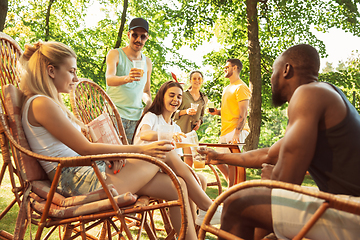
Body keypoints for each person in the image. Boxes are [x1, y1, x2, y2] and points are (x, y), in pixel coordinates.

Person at [19, 40, 211, 239]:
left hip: (88, 170)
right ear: (51, 71)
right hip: (76, 180)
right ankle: (209, 208)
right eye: (72, 71)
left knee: (177, 186)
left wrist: (114, 155)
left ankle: (202, 218)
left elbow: (82, 149)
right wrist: (138, 151)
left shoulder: (46, 102)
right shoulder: (41, 103)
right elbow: (85, 148)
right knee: (165, 150)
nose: (76, 78)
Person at [200, 44, 360, 240]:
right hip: (344, 205)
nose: (271, 79)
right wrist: (218, 156)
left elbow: (285, 183)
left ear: (286, 69)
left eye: (273, 72)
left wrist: (271, 178)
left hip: (352, 210)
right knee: (259, 219)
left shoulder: (308, 94)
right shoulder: (324, 95)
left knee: (237, 202)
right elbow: (269, 154)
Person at [133, 81, 222, 231]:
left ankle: (194, 226)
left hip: (160, 171)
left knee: (200, 178)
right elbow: (145, 134)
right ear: (162, 97)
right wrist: (168, 136)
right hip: (142, 172)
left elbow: (175, 160)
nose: (176, 99)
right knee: (179, 185)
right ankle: (204, 211)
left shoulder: (176, 127)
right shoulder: (152, 116)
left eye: (179, 97)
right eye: (171, 95)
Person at [105, 17, 152, 144]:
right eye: (135, 35)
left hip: (136, 118)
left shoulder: (147, 61)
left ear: (147, 38)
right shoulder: (115, 54)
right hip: (114, 115)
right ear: (128, 34)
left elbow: (146, 91)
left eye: (142, 36)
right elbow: (109, 79)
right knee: (111, 158)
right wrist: (127, 78)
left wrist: (148, 104)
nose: (138, 40)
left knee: (131, 158)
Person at [209, 58, 251, 187]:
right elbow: (231, 110)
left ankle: (230, 193)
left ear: (235, 68)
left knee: (232, 163)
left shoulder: (241, 87)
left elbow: (243, 112)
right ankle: (233, 186)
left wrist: (237, 133)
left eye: (227, 67)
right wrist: (218, 112)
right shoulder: (228, 88)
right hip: (225, 130)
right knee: (215, 159)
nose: (224, 69)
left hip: (235, 130)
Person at [173, 70, 208, 167]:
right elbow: (172, 112)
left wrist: (200, 122)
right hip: (179, 129)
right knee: (177, 157)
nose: (197, 80)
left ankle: (187, 179)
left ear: (202, 80)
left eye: (199, 78)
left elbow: (201, 115)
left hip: (191, 132)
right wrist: (186, 111)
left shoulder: (204, 98)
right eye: (194, 78)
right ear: (190, 81)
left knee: (189, 159)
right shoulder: (183, 95)